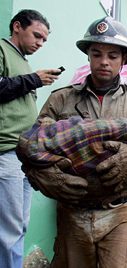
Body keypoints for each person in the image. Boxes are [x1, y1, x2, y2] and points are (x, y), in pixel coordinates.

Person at [21, 17, 127, 267]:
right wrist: (47, 177)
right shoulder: (61, 99)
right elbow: (31, 147)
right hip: (72, 213)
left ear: (124, 60)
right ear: (88, 56)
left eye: (113, 55)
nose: (104, 61)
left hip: (121, 212)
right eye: (97, 54)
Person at [0, 9, 59, 268]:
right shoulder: (2, 50)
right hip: (5, 152)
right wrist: (33, 79)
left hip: (23, 154)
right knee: (9, 230)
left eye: (44, 40)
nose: (40, 43)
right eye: (37, 35)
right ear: (16, 27)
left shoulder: (22, 60)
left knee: (19, 226)